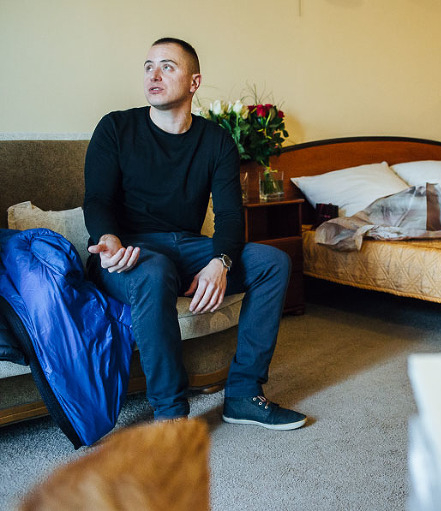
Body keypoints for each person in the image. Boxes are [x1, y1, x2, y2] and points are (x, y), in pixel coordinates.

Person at [83, 37, 306, 430]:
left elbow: (230, 216)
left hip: (188, 247)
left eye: (167, 66)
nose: (153, 75)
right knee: (154, 272)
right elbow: (97, 199)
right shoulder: (115, 127)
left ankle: (243, 394)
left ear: (194, 82)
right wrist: (110, 240)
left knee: (273, 262)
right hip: (132, 252)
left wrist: (221, 262)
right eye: (149, 66)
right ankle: (170, 414)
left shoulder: (216, 140)